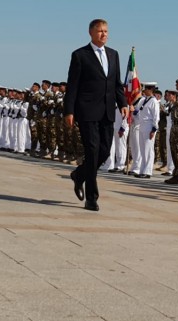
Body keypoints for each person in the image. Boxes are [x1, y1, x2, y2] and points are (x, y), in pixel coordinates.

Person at [63, 19, 127, 212]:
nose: (104, 34)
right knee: (92, 151)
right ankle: (92, 198)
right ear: (91, 33)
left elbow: (116, 83)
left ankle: (79, 175)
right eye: (100, 31)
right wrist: (69, 110)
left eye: (106, 31)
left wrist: (123, 103)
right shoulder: (80, 55)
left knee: (104, 152)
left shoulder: (113, 54)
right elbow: (72, 85)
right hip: (87, 110)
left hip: (107, 111)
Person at [129, 83, 159, 178]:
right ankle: (142, 170)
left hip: (149, 126)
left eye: (146, 89)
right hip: (142, 125)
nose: (144, 90)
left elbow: (156, 117)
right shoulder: (143, 100)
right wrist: (133, 111)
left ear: (151, 90)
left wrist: (154, 129)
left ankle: (147, 171)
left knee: (148, 149)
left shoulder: (154, 101)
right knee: (142, 149)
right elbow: (138, 111)